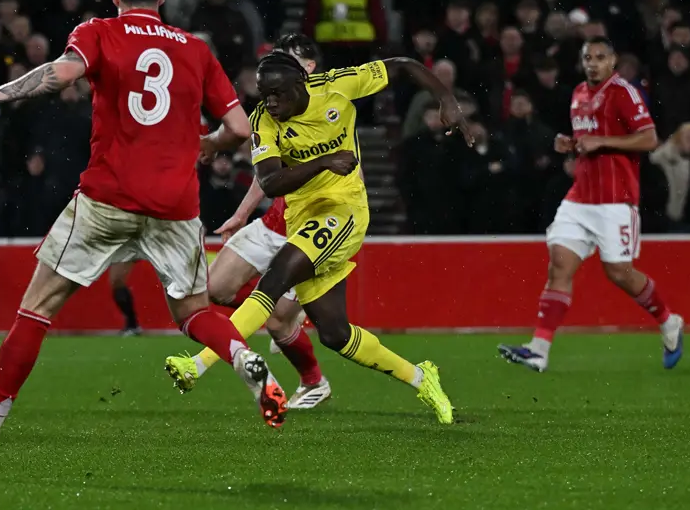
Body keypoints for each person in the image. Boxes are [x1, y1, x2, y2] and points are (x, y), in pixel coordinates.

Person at [0, 0, 288, 459]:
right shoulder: (195, 49)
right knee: (193, 311)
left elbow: (60, 75)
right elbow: (236, 128)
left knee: (37, 309)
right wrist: (207, 145)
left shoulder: (99, 31)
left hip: (109, 196)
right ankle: (241, 357)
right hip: (175, 204)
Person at [166, 50, 472, 424]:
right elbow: (270, 181)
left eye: (278, 93)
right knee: (335, 334)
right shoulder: (263, 120)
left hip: (344, 209)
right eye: (265, 94)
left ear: (301, 84)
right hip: (302, 217)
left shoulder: (336, 87)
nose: (271, 102)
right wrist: (323, 161)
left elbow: (403, 66)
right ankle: (422, 378)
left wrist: (447, 99)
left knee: (275, 279)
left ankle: (198, 365)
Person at [498, 37, 684, 373]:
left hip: (615, 200)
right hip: (580, 198)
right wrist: (570, 144)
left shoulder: (624, 92)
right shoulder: (579, 94)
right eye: (588, 58)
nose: (593, 63)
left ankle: (669, 321)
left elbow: (649, 138)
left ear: (613, 61)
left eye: (600, 57)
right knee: (559, 266)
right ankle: (539, 350)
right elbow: (589, 143)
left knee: (619, 273)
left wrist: (602, 141)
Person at [188, 34, 332, 410]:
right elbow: (267, 173)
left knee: (278, 323)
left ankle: (314, 382)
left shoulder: (333, 108)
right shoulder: (275, 108)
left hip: (308, 232)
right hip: (273, 222)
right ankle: (279, 303)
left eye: (287, 60)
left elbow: (355, 179)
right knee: (215, 288)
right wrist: (240, 214)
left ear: (309, 68)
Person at [109, 261, 141, 336]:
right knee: (116, 282)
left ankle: (133, 325)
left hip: (125, 253)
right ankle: (133, 325)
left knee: (117, 280)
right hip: (116, 254)